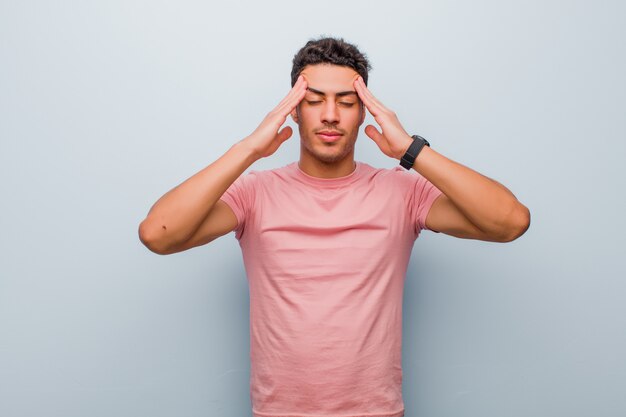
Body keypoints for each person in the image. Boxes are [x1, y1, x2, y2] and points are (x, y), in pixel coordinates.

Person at [138, 37, 530, 417]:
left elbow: (510, 222)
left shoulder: (401, 191)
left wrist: (410, 150)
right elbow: (158, 233)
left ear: (363, 113)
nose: (330, 114)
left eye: (346, 102)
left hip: (376, 411)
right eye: (313, 101)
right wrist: (249, 150)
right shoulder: (254, 193)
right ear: (293, 110)